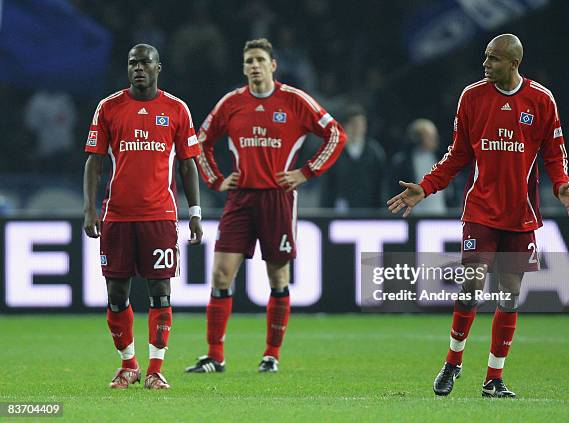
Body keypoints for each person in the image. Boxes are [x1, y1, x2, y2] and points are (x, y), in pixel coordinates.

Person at [387, 34, 569, 398]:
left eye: (493, 58)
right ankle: (453, 362)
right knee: (471, 285)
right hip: (480, 210)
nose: (485, 63)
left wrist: (562, 186)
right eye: (485, 57)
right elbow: (457, 154)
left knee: (509, 295)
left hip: (520, 215)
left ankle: (494, 378)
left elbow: (555, 154)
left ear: (513, 63)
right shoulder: (472, 97)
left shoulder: (540, 100)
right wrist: (426, 187)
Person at [186, 38, 346, 373]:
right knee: (220, 274)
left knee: (277, 276)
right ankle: (215, 356)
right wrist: (215, 179)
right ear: (244, 68)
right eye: (248, 61)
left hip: (278, 198)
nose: (254, 66)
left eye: (260, 60)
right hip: (240, 198)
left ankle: (271, 355)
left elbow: (335, 134)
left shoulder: (293, 100)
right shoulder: (231, 103)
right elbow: (199, 142)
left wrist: (306, 172)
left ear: (273, 65)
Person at [83, 44, 203, 390]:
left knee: (160, 292)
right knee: (116, 294)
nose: (138, 68)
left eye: (144, 62)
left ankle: (155, 369)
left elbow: (187, 163)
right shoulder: (108, 108)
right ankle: (128, 365)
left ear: (157, 68)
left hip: (160, 216)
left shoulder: (176, 109)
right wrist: (91, 208)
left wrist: (194, 212)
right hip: (118, 216)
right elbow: (94, 161)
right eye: (132, 62)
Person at [320, 104, 387, 211]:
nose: (357, 128)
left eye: (361, 124)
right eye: (354, 124)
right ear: (345, 126)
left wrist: (381, 210)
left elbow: (381, 184)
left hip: (368, 209)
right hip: (341, 209)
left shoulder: (374, 152)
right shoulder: (334, 152)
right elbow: (327, 186)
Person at [388, 118, 447, 214]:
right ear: (417, 138)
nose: (435, 139)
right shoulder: (403, 162)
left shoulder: (443, 158)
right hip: (415, 216)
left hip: (441, 215)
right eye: (430, 136)